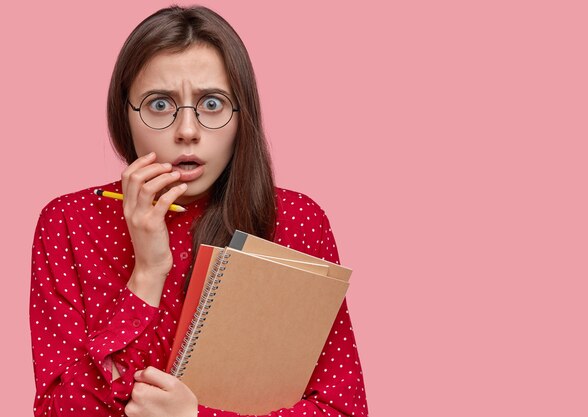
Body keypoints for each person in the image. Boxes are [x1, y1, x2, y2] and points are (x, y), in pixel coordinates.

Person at [29, 5, 368, 417]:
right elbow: (56, 411)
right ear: (124, 113)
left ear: (242, 116)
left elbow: (341, 408)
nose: (187, 130)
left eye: (211, 103)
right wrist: (148, 273)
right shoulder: (68, 223)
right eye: (159, 105)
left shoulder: (296, 219)